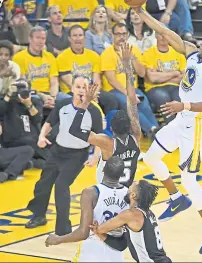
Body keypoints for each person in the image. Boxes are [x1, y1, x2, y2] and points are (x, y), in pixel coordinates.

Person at [134, 6, 202, 254]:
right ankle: (176, 199)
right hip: (181, 118)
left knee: (188, 178)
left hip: (196, 124)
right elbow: (164, 30)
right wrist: (141, 12)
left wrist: (182, 105)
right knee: (151, 157)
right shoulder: (193, 54)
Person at [25, 75, 103, 235]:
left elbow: (98, 136)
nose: (81, 90)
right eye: (78, 87)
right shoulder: (62, 105)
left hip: (77, 155)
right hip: (57, 151)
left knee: (61, 185)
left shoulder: (94, 111)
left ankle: (63, 229)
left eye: (84, 87)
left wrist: (95, 156)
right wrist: (42, 136)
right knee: (43, 184)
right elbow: (49, 122)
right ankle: (39, 215)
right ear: (72, 88)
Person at [69, 43, 140, 187]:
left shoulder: (107, 142)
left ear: (111, 130)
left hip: (108, 191)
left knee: (88, 194)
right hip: (126, 191)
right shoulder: (137, 136)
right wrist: (127, 67)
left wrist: (86, 103)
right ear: (130, 126)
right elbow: (132, 100)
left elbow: (74, 130)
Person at [45, 156, 129, 262]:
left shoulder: (91, 193)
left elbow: (83, 232)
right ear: (122, 174)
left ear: (102, 169)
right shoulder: (130, 194)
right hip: (116, 253)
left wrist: (58, 239)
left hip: (92, 251)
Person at [91, 180, 171, 263]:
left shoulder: (130, 215)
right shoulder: (148, 213)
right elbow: (120, 245)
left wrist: (97, 228)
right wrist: (99, 233)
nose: (128, 188)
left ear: (133, 195)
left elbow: (100, 229)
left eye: (130, 187)